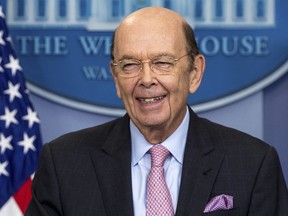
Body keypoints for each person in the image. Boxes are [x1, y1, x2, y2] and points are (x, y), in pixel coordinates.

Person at [25, 7, 288, 216]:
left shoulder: (253, 163)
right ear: (116, 78)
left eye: (163, 63)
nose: (147, 79)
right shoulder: (64, 163)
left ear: (195, 73)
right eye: (130, 65)